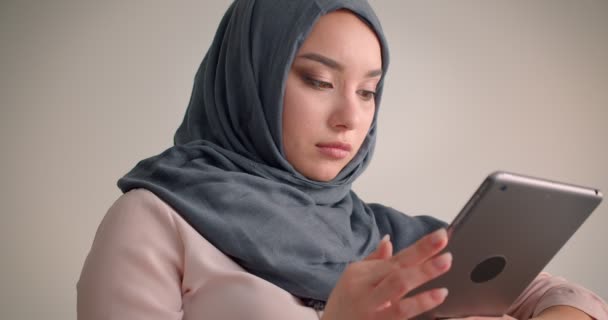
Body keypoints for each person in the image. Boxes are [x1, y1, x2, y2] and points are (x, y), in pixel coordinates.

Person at [77, 0, 608, 319]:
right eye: (319, 80)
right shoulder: (155, 219)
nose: (349, 118)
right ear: (250, 79)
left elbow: (566, 294)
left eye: (368, 92)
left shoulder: (373, 232)